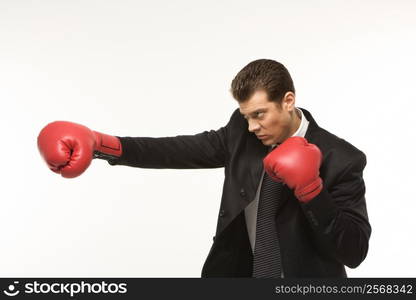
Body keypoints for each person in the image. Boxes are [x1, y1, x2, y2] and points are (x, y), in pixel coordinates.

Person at [37, 59, 371, 278]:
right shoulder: (242, 133)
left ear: (288, 100)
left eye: (260, 114)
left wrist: (312, 190)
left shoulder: (342, 158)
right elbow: (180, 150)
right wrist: (102, 143)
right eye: (245, 116)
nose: (253, 126)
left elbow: (353, 251)